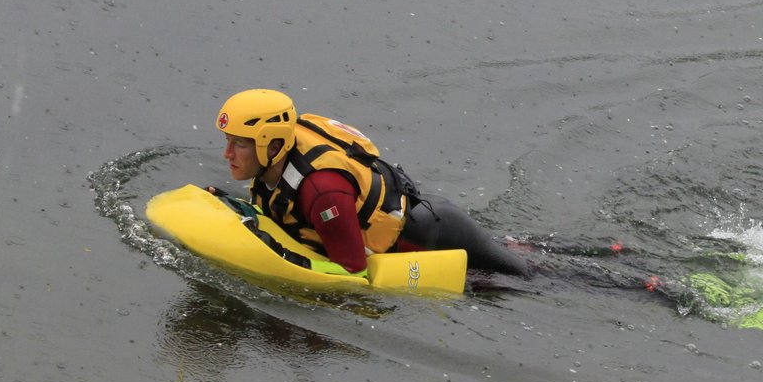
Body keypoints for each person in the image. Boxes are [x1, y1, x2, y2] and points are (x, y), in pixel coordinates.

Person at [213, 88, 534, 277]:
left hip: (436, 237)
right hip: (423, 216)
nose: (227, 154)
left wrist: (280, 257)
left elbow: (354, 272)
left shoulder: (322, 192)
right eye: (228, 141)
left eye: (239, 144)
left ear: (272, 145)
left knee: (535, 280)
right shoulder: (275, 164)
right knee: (527, 255)